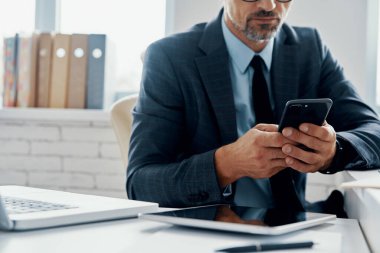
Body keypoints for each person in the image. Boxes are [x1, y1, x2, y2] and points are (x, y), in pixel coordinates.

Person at [126, 0, 380, 215]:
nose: (269, 6)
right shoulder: (169, 56)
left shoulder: (310, 48)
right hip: (203, 230)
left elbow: (373, 132)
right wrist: (226, 164)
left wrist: (333, 150)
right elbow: (140, 183)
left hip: (291, 225)